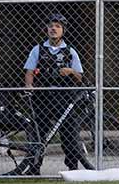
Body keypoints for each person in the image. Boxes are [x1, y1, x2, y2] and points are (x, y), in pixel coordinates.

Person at [23, 13, 85, 172]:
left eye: (57, 26)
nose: (53, 29)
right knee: (39, 133)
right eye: (51, 26)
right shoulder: (37, 49)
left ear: (63, 30)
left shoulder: (71, 51)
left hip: (64, 97)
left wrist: (71, 71)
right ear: (46, 29)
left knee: (69, 133)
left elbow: (80, 77)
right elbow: (29, 72)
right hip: (42, 96)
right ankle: (34, 167)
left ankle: (72, 168)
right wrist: (29, 87)